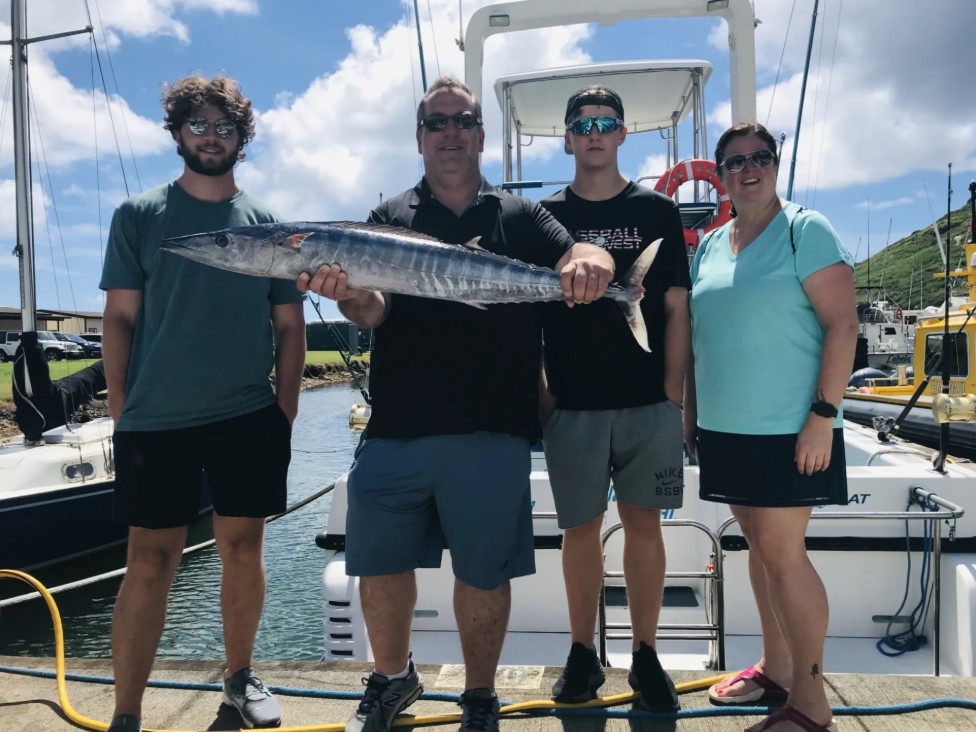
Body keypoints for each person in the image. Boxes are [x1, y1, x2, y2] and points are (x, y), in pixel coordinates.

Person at [298, 75, 614, 732]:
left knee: (482, 571)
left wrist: (595, 264)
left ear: (479, 132)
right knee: (380, 565)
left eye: (462, 120)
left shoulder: (520, 216)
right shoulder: (387, 218)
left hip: (492, 427)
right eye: (437, 122)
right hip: (396, 427)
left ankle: (479, 697)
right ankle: (391, 679)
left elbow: (576, 250)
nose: (450, 133)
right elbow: (375, 306)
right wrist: (350, 299)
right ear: (419, 136)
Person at [100, 75, 306, 732]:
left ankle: (239, 681)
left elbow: (290, 327)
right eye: (200, 125)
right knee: (149, 562)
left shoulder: (268, 223)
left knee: (243, 550)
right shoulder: (138, 216)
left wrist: (287, 409)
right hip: (155, 421)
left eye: (225, 127)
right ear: (178, 133)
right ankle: (127, 712)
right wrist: (120, 406)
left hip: (248, 415)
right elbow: (119, 319)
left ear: (242, 138)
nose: (212, 137)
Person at [684, 122, 857, 732]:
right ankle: (775, 669)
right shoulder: (712, 244)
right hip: (728, 430)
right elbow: (708, 335)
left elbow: (844, 325)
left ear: (775, 164)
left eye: (759, 158)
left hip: (792, 429)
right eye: (734, 161)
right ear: (721, 172)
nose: (747, 169)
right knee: (756, 549)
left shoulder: (805, 230)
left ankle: (811, 706)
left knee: (784, 555)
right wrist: (691, 413)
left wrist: (823, 417)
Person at [537, 85, 690, 711]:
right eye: (582, 123)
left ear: (623, 134)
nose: (594, 132)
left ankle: (647, 655)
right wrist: (542, 394)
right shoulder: (541, 215)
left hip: (645, 402)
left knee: (644, 527)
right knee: (579, 532)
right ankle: (583, 654)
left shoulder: (657, 211)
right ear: (568, 137)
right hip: (571, 404)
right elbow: (527, 314)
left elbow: (677, 308)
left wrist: (672, 396)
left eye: (606, 122)